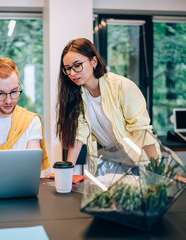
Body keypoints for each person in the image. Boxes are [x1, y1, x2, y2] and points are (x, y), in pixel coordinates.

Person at [56, 38, 159, 174]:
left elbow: (142, 131)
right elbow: (78, 135)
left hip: (137, 159)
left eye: (77, 65)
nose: (72, 73)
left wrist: (160, 171)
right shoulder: (78, 95)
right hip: (107, 160)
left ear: (94, 61)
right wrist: (66, 173)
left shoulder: (122, 87)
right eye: (68, 69)